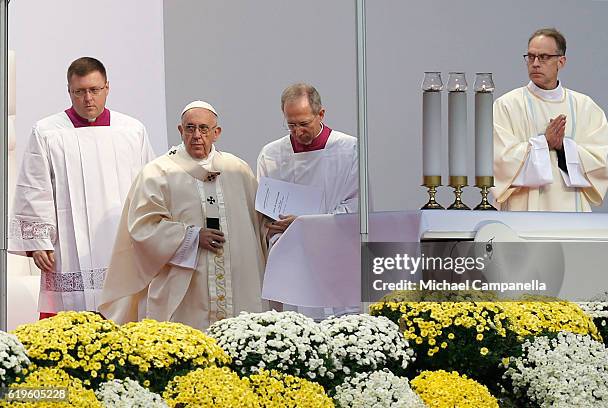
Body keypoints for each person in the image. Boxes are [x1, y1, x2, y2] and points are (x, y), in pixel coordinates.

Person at [99, 101, 268, 330]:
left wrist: (275, 227)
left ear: (216, 133)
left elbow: (258, 225)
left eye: (204, 129)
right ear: (180, 130)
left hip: (237, 288)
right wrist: (192, 237)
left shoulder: (237, 171)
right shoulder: (157, 174)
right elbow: (142, 228)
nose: (196, 135)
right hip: (186, 292)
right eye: (190, 128)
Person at [8, 57, 155, 318]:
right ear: (69, 91)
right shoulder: (48, 132)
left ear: (107, 87)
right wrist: (39, 241)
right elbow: (34, 188)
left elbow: (150, 187)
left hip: (122, 242)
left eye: (94, 90)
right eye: (80, 91)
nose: (88, 98)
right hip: (69, 246)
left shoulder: (132, 130)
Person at [257, 83, 359, 320]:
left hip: (335, 257)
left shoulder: (348, 149)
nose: (297, 132)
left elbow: (357, 208)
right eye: (290, 124)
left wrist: (305, 223)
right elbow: (264, 211)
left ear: (320, 114)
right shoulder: (272, 154)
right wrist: (272, 223)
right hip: (291, 260)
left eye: (304, 123)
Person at [492, 28, 608, 211]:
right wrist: (543, 143)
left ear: (561, 62)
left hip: (572, 210)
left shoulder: (585, 107)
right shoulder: (507, 105)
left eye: (544, 57)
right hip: (522, 212)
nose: (536, 63)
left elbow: (597, 163)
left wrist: (563, 147)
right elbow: (501, 161)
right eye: (531, 57)